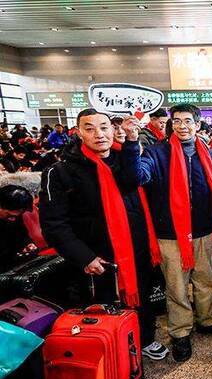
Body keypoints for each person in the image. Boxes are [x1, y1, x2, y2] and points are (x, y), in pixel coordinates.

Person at [39, 108, 169, 361]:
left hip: (135, 250)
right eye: (89, 128)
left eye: (104, 127)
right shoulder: (60, 172)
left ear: (113, 130)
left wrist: (132, 142)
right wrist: (84, 257)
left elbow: (134, 180)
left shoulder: (125, 159)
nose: (98, 134)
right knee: (102, 304)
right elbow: (55, 224)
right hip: (96, 255)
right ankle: (110, 347)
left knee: (140, 295)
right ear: (78, 133)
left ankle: (144, 339)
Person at [124, 103, 212, 362]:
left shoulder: (209, 153)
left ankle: (207, 319)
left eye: (188, 121)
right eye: (177, 121)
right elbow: (136, 177)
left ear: (197, 124)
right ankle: (180, 331)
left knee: (206, 279)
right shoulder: (156, 152)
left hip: (204, 230)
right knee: (176, 286)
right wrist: (131, 142)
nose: (182, 126)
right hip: (170, 233)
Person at [0, 184, 34, 273]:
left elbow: (22, 233)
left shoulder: (15, 215)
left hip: (15, 265)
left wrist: (27, 244)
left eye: (18, 215)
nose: (13, 219)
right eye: (9, 215)